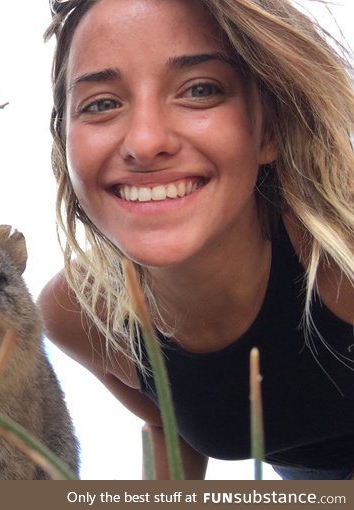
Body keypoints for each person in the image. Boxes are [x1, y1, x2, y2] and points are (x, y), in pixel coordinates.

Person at [39, 0, 354, 480]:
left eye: (200, 90)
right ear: (64, 142)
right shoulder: (81, 313)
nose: (145, 142)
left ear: (268, 128)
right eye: (102, 103)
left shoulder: (342, 253)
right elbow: (167, 422)